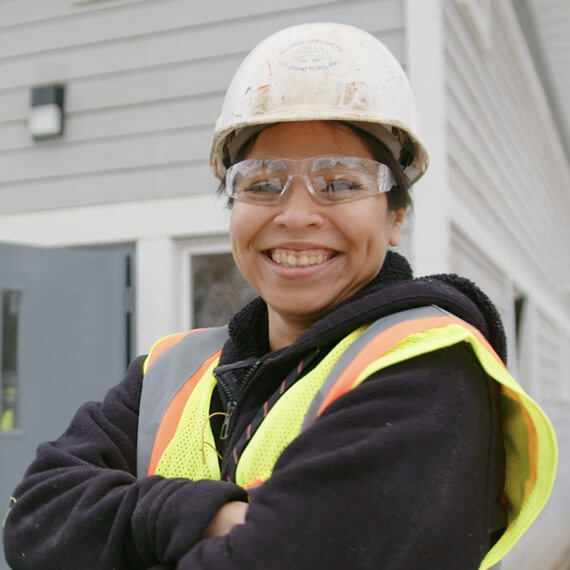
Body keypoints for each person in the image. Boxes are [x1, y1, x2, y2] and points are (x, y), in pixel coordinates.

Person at [3, 22, 557, 570]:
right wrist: (209, 517)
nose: (295, 216)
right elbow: (34, 522)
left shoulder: (429, 371)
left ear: (396, 217)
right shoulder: (170, 372)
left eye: (340, 184)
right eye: (263, 183)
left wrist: (124, 528)